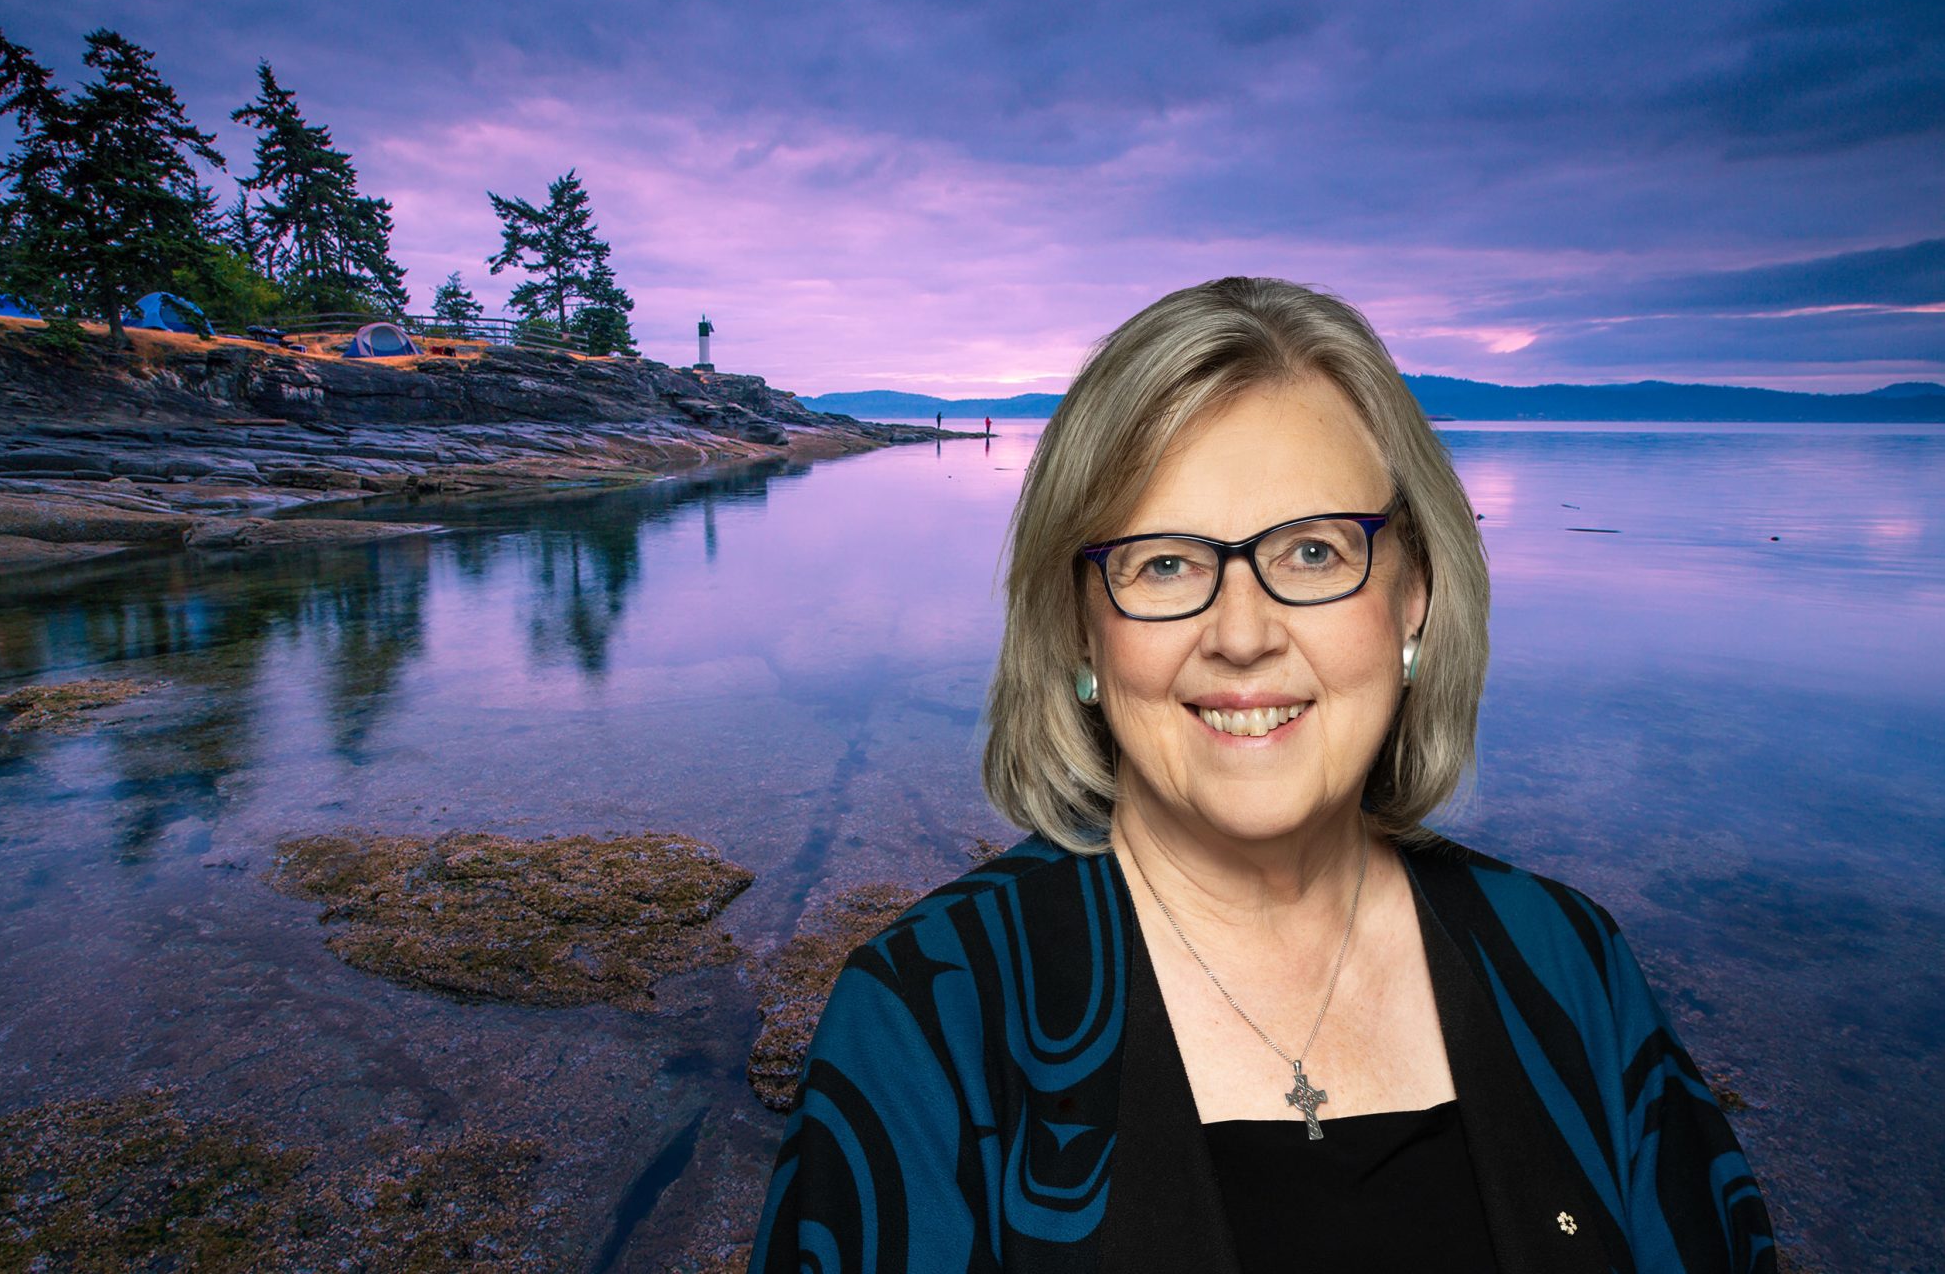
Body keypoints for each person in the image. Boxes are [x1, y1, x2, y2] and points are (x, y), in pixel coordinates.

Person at [750, 278, 1774, 1272]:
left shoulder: (1570, 966)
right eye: (1163, 564)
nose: (1242, 636)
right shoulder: (929, 1019)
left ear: (1413, 594)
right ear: (1078, 631)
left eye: (1316, 553)